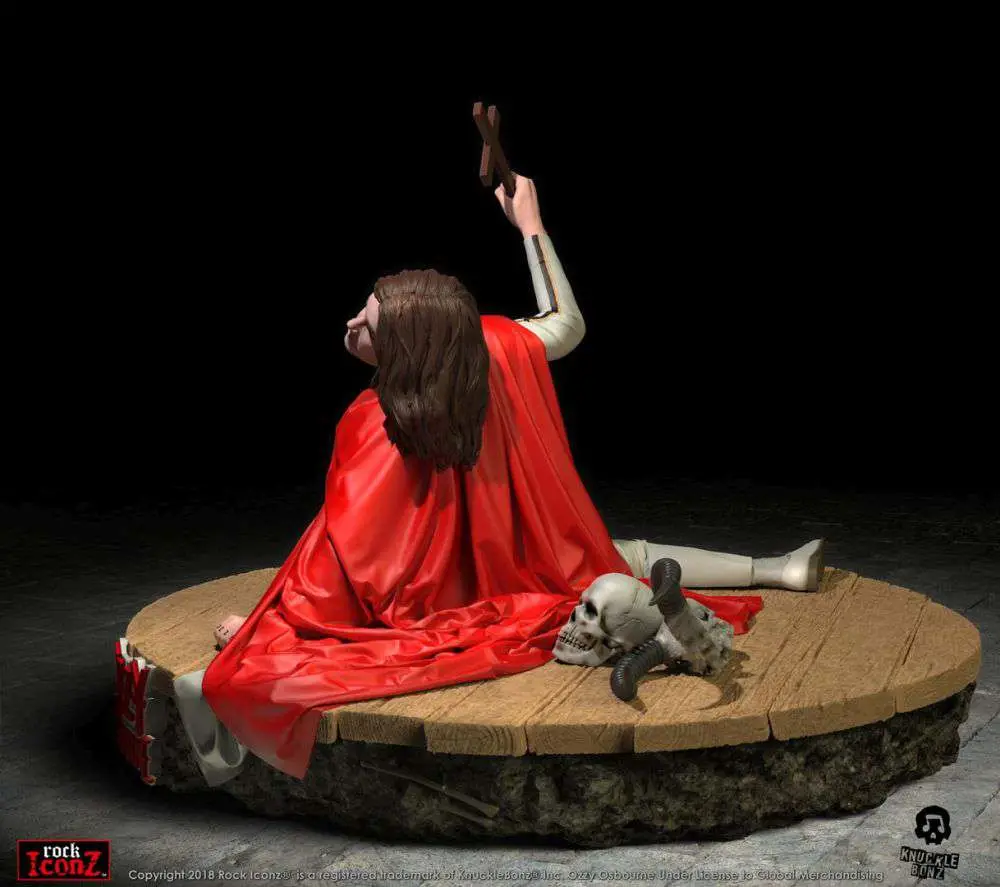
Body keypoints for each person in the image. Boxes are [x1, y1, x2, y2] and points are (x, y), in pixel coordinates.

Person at [177, 174, 821, 785]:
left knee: (610, 565)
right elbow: (565, 324)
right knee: (613, 558)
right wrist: (530, 224)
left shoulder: (373, 422)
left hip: (460, 591)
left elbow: (350, 560)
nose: (350, 324)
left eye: (368, 322)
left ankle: (778, 570)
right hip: (523, 556)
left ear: (408, 346)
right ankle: (776, 569)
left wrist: (274, 626)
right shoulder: (486, 350)